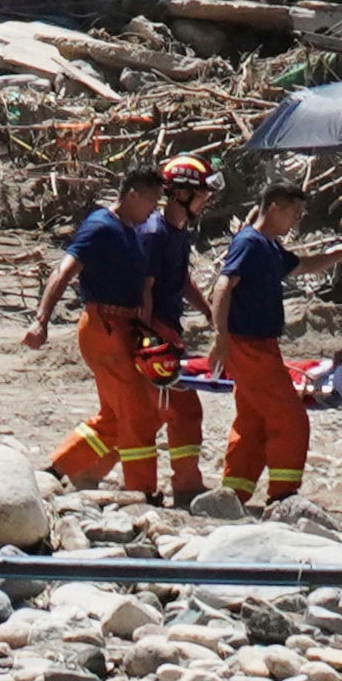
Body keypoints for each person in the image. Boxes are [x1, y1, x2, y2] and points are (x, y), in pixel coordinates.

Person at [28, 166, 168, 498]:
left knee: (119, 412)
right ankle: (141, 490)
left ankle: (63, 468)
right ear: (132, 194)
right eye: (152, 199)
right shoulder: (100, 226)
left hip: (125, 327)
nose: (154, 208)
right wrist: (41, 319)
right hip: (103, 326)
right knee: (137, 411)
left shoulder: (130, 230)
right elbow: (64, 270)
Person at [209, 176, 330, 509]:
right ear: (274, 207)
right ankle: (283, 494)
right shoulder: (249, 242)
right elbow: (223, 286)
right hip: (249, 346)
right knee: (290, 417)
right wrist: (219, 338)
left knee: (253, 420)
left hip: (260, 345)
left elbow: (303, 266)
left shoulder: (271, 246)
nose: (297, 221)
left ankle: (233, 493)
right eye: (295, 213)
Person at [133, 154, 217, 504]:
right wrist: (148, 340)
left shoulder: (177, 233)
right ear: (181, 194)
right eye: (201, 194)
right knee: (182, 410)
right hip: (157, 330)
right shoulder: (154, 233)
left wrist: (210, 312)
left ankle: (70, 469)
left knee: (139, 413)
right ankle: (185, 486)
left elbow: (180, 279)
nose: (207, 200)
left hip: (167, 330)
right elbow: (145, 289)